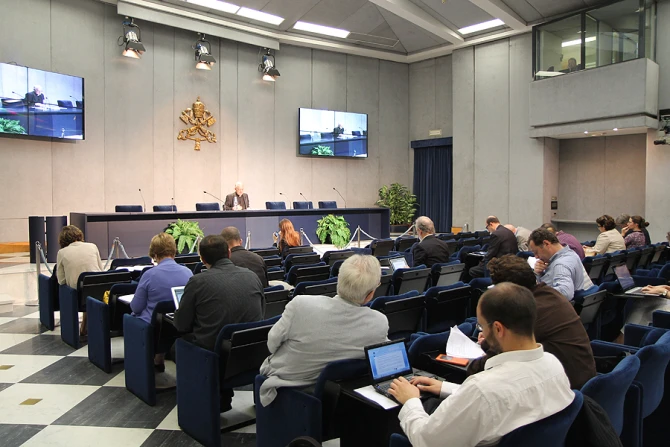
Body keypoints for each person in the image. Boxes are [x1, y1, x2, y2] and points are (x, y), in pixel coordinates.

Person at [388, 283, 574, 447]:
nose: (481, 334)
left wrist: (410, 400)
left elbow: (426, 441)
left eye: (482, 327)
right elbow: (504, 401)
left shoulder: (482, 389)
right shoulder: (554, 364)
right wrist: (445, 387)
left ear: (498, 329)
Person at [258, 255, 389, 406]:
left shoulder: (301, 305)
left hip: (287, 386)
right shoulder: (379, 322)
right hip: (337, 397)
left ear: (338, 280)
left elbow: (271, 344)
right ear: (370, 294)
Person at [468, 255, 596, 389]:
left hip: (567, 388)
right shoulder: (549, 294)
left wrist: (483, 348)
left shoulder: (527, 310)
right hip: (577, 378)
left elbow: (493, 356)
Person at [173, 234, 265, 411]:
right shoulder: (252, 277)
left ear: (202, 258)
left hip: (216, 358)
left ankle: (202, 401)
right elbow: (261, 313)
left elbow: (181, 325)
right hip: (253, 355)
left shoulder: (197, 282)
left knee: (178, 345)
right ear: (229, 253)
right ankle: (223, 394)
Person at [130, 233, 192, 371]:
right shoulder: (188, 272)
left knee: (131, 317)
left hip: (152, 330)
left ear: (154, 253)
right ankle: (160, 357)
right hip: (177, 327)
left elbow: (136, 307)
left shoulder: (149, 275)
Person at [56, 225, 104, 337]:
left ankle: (80, 329)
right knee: (89, 289)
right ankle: (85, 327)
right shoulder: (92, 246)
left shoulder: (62, 253)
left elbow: (61, 280)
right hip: (97, 290)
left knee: (79, 289)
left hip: (76, 294)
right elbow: (101, 270)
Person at [529, 228, 593, 301]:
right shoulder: (570, 254)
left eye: (536, 252)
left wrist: (536, 296)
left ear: (546, 244)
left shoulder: (560, 265)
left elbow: (565, 293)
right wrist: (539, 274)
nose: (536, 257)